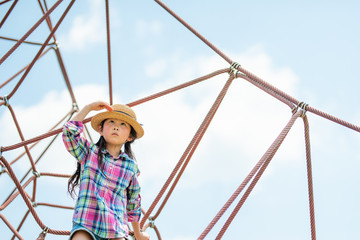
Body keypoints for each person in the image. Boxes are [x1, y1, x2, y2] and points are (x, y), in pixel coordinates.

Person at [62, 101, 149, 240]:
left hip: (116, 229)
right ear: (100, 130)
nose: (116, 127)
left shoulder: (130, 166)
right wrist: (88, 107)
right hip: (86, 223)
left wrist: (138, 234)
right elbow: (69, 134)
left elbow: (134, 202)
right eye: (111, 122)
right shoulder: (89, 152)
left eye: (123, 124)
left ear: (130, 137)